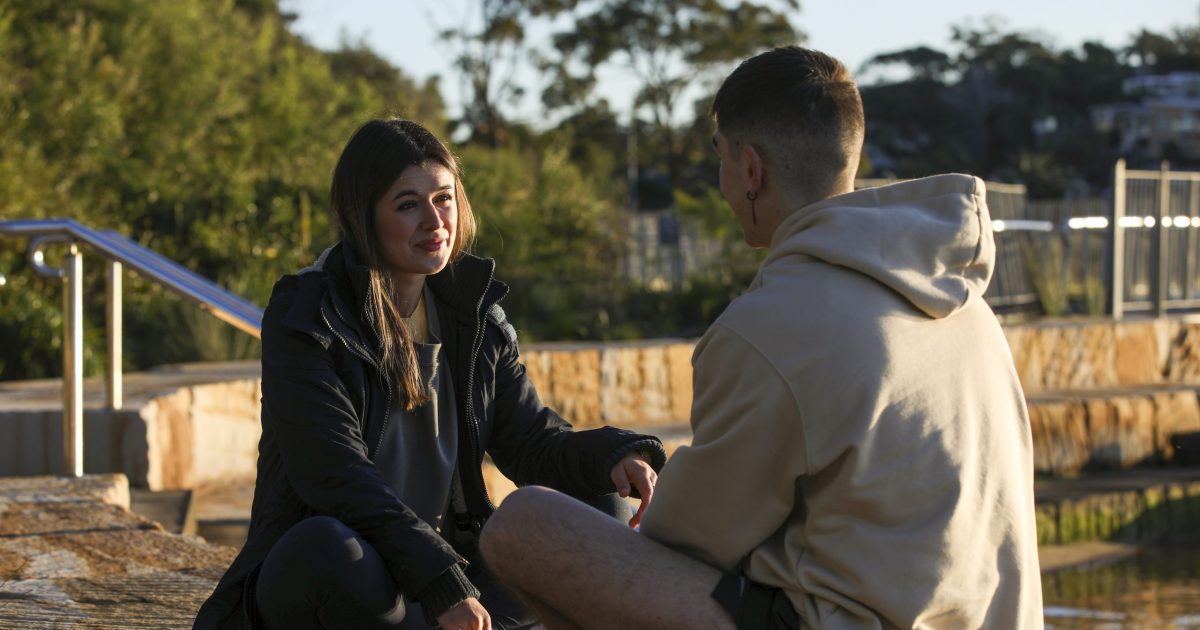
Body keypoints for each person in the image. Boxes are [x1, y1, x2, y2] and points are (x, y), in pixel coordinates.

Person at [478, 46, 1044, 628]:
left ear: (751, 169)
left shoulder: (775, 325)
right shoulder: (963, 300)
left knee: (527, 524)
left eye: (720, 157)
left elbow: (689, 542)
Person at [193, 118, 667, 630]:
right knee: (327, 547)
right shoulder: (309, 316)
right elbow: (334, 474)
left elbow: (532, 443)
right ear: (362, 217)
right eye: (407, 205)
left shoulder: (471, 315)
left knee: (596, 502)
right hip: (364, 582)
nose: (434, 220)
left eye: (443, 198)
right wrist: (438, 578)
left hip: (451, 572)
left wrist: (619, 456)